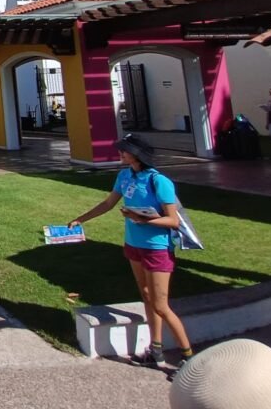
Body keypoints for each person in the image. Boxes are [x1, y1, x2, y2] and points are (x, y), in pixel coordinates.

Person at [68, 134, 194, 370]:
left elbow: (173, 220)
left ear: (136, 154)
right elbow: (108, 204)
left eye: (124, 151)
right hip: (133, 245)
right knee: (147, 298)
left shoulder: (159, 181)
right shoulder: (124, 176)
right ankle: (155, 350)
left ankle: (189, 357)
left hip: (156, 248)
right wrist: (80, 219)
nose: (120, 154)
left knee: (161, 305)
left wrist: (141, 219)